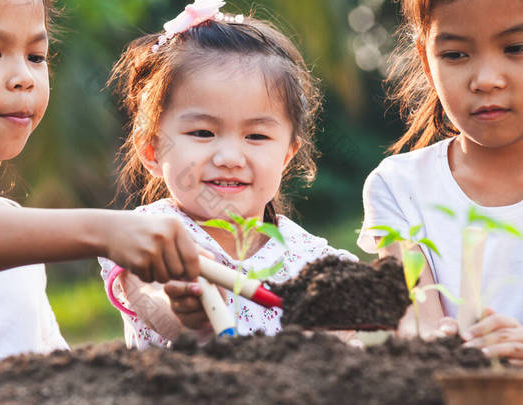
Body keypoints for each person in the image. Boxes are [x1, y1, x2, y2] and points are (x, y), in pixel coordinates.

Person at [0, 0, 203, 385]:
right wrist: (102, 232)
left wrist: (184, 325)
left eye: (36, 56)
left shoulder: (17, 233)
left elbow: (59, 375)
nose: (24, 78)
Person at [99, 1, 357, 350]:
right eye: (203, 133)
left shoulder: (313, 261)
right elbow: (154, 301)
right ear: (152, 150)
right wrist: (185, 308)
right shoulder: (149, 237)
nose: (230, 158)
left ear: (286, 154)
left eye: (256, 136)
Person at [358, 0, 523, 363]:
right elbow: (418, 317)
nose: (486, 80)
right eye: (455, 54)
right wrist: (437, 343)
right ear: (426, 61)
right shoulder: (399, 186)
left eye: (516, 48)